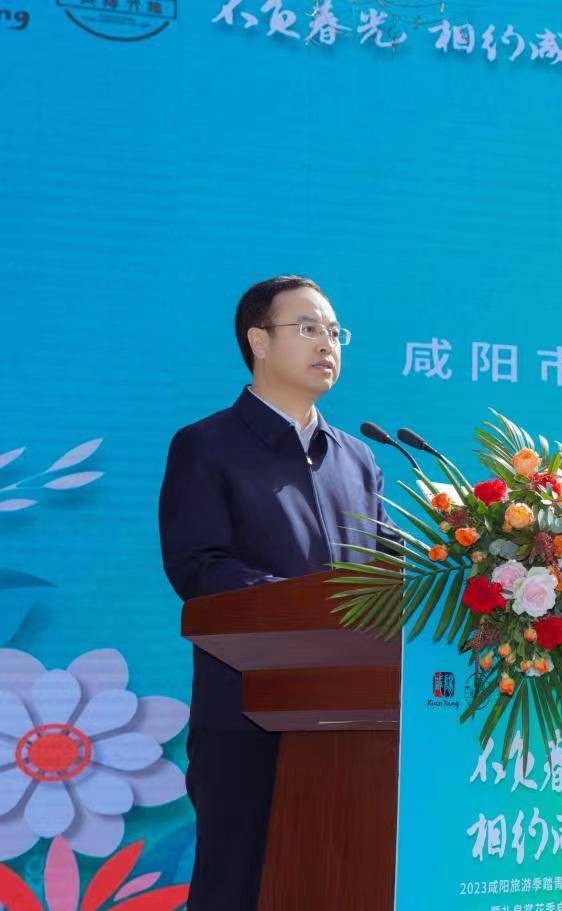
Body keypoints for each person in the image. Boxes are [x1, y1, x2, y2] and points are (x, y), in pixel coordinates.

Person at [157, 275, 396, 909]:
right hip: (247, 716)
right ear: (258, 341)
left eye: (335, 332)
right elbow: (197, 567)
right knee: (238, 888)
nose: (328, 344)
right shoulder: (206, 446)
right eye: (309, 328)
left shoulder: (358, 459)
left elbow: (388, 572)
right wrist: (305, 611)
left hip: (356, 722)